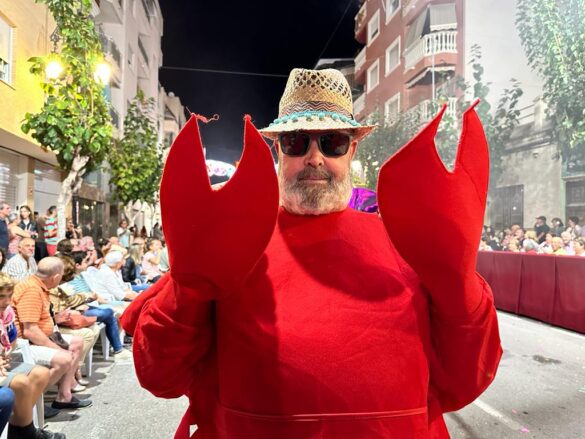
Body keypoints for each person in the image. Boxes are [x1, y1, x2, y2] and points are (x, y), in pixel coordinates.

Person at [120, 68, 502, 438]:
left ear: (352, 150)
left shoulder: (405, 244)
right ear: (278, 150)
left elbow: (466, 379)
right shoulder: (235, 239)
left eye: (332, 142)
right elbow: (160, 374)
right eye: (297, 142)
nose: (315, 158)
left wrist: (459, 285)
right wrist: (188, 289)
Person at [12, 258, 92, 411]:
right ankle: (30, 402)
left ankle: (64, 396)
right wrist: (57, 348)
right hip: (25, 343)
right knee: (64, 358)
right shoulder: (31, 290)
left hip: (42, 335)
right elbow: (30, 331)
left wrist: (56, 319)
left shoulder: (39, 286)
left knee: (77, 342)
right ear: (55, 277)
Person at [0, 273, 65, 439]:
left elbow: (12, 341)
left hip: (4, 362)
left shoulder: (6, 313)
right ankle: (28, 433)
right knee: (21, 383)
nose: (7, 301)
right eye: (1, 296)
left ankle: (17, 428)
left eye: (9, 296)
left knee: (41, 373)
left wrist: (5, 353)